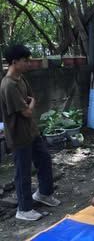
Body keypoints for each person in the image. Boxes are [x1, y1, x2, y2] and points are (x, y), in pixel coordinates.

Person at [0, 44, 60, 221]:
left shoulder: (21, 78)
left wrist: (30, 103)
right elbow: (27, 110)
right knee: (23, 172)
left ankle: (43, 193)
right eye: (25, 61)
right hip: (18, 135)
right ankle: (24, 209)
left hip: (31, 131)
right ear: (14, 62)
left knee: (44, 159)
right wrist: (31, 103)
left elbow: (31, 99)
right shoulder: (8, 85)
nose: (29, 63)